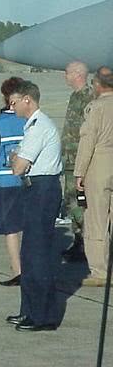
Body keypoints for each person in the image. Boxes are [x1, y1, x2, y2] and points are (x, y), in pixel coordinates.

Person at [6, 81, 63, 332]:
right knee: (29, 254)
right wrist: (17, 159)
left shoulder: (39, 127)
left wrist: (16, 159)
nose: (12, 106)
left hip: (42, 188)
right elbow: (17, 161)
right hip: (33, 188)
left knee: (38, 254)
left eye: (14, 102)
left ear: (27, 100)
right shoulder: (32, 127)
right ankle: (28, 311)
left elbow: (17, 165)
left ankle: (43, 316)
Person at [0, 77, 26, 286]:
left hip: (5, 180)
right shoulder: (30, 120)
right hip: (28, 180)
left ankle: (18, 270)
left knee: (11, 229)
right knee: (28, 225)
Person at [74, 66, 113, 287]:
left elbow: (88, 141)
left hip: (100, 165)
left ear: (98, 85)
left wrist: (80, 172)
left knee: (97, 219)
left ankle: (100, 271)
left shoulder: (95, 108)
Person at [60, 61, 94, 261]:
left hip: (80, 162)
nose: (65, 76)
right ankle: (80, 242)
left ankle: (89, 242)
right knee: (71, 201)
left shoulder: (89, 98)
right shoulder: (74, 97)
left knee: (80, 203)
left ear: (77, 74)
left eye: (67, 72)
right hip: (70, 161)